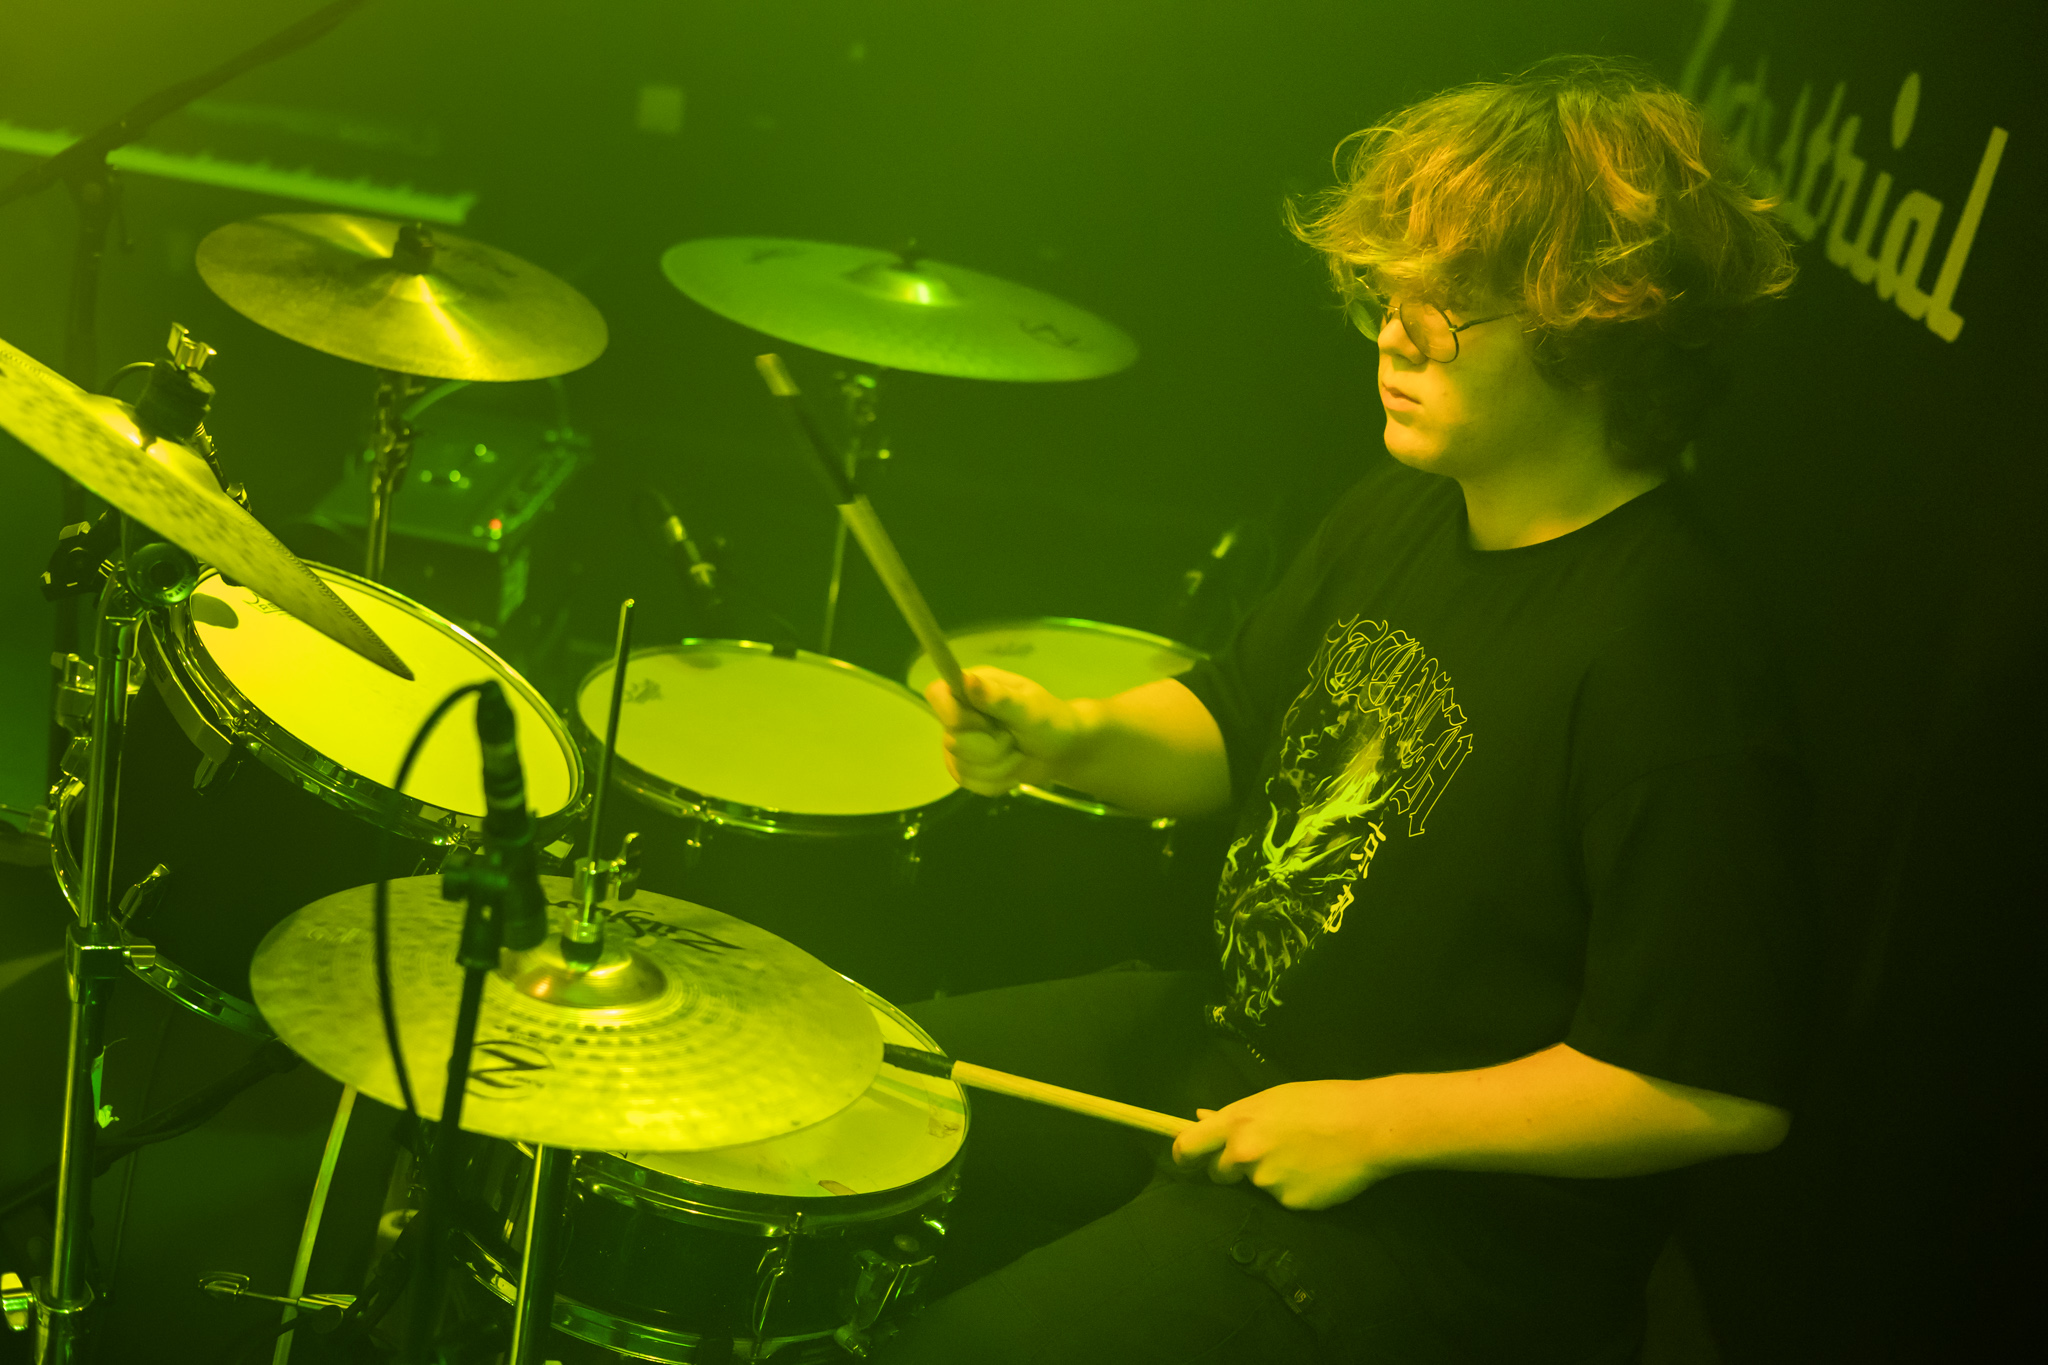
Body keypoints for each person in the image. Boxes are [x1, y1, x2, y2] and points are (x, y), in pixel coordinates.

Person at [882, 55, 1809, 1364]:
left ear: (1602, 326)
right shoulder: (1411, 503)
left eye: (1453, 305)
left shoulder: (1671, 657)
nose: (1394, 331)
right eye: (1394, 290)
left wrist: (1372, 1124)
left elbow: (1711, 1089)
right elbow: (1234, 721)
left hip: (1442, 1233)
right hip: (1234, 1065)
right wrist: (1070, 737)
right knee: (859, 1084)